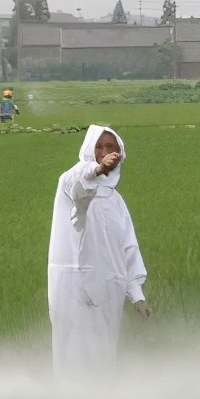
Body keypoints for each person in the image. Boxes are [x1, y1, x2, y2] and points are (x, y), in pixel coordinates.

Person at [48, 125, 152, 373]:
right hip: (75, 288)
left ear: (121, 153)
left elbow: (128, 247)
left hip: (108, 289)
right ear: (89, 151)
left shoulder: (116, 201)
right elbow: (80, 184)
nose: (106, 152)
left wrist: (137, 294)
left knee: (104, 354)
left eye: (111, 147)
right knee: (74, 353)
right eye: (99, 147)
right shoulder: (71, 183)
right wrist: (97, 169)